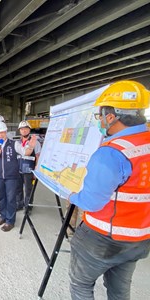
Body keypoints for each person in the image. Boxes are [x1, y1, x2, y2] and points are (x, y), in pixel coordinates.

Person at [68, 80, 150, 299]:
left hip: (104, 239)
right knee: (120, 290)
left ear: (112, 116)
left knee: (81, 285)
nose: (100, 119)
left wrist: (70, 193)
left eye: (101, 114)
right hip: (140, 238)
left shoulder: (112, 153)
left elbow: (90, 202)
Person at [0, 121, 37, 232]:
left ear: (6, 132)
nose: (0, 135)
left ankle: (10, 221)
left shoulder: (14, 143)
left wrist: (30, 146)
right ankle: (3, 216)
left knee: (11, 199)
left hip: (11, 177)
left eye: (2, 132)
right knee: (1, 198)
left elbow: (25, 152)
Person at [16, 120, 41, 211]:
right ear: (20, 131)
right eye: (22, 129)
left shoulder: (35, 142)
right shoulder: (18, 142)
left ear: (29, 130)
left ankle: (28, 207)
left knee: (28, 190)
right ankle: (19, 204)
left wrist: (36, 170)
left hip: (29, 170)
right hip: (18, 169)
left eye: (26, 129)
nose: (24, 131)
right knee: (18, 188)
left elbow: (38, 156)